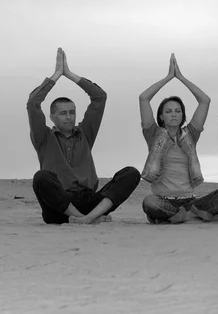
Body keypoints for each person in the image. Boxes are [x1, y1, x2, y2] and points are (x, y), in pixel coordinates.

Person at [27, 47, 141, 224]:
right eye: (63, 113)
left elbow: (99, 97)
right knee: (41, 177)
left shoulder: (85, 133)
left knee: (131, 173)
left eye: (72, 112)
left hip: (88, 200)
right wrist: (57, 75)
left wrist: (70, 74)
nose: (68, 117)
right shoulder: (44, 137)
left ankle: (88, 217)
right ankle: (86, 219)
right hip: (60, 207)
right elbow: (33, 103)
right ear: (52, 117)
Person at [140, 54, 218, 224]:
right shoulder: (153, 134)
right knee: (149, 202)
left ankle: (184, 215)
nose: (173, 114)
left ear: (183, 114)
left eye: (177, 110)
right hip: (164, 199)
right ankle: (189, 216)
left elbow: (204, 101)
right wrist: (169, 77)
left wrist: (181, 78)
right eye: (168, 111)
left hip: (191, 202)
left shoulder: (190, 135)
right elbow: (144, 98)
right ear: (161, 117)